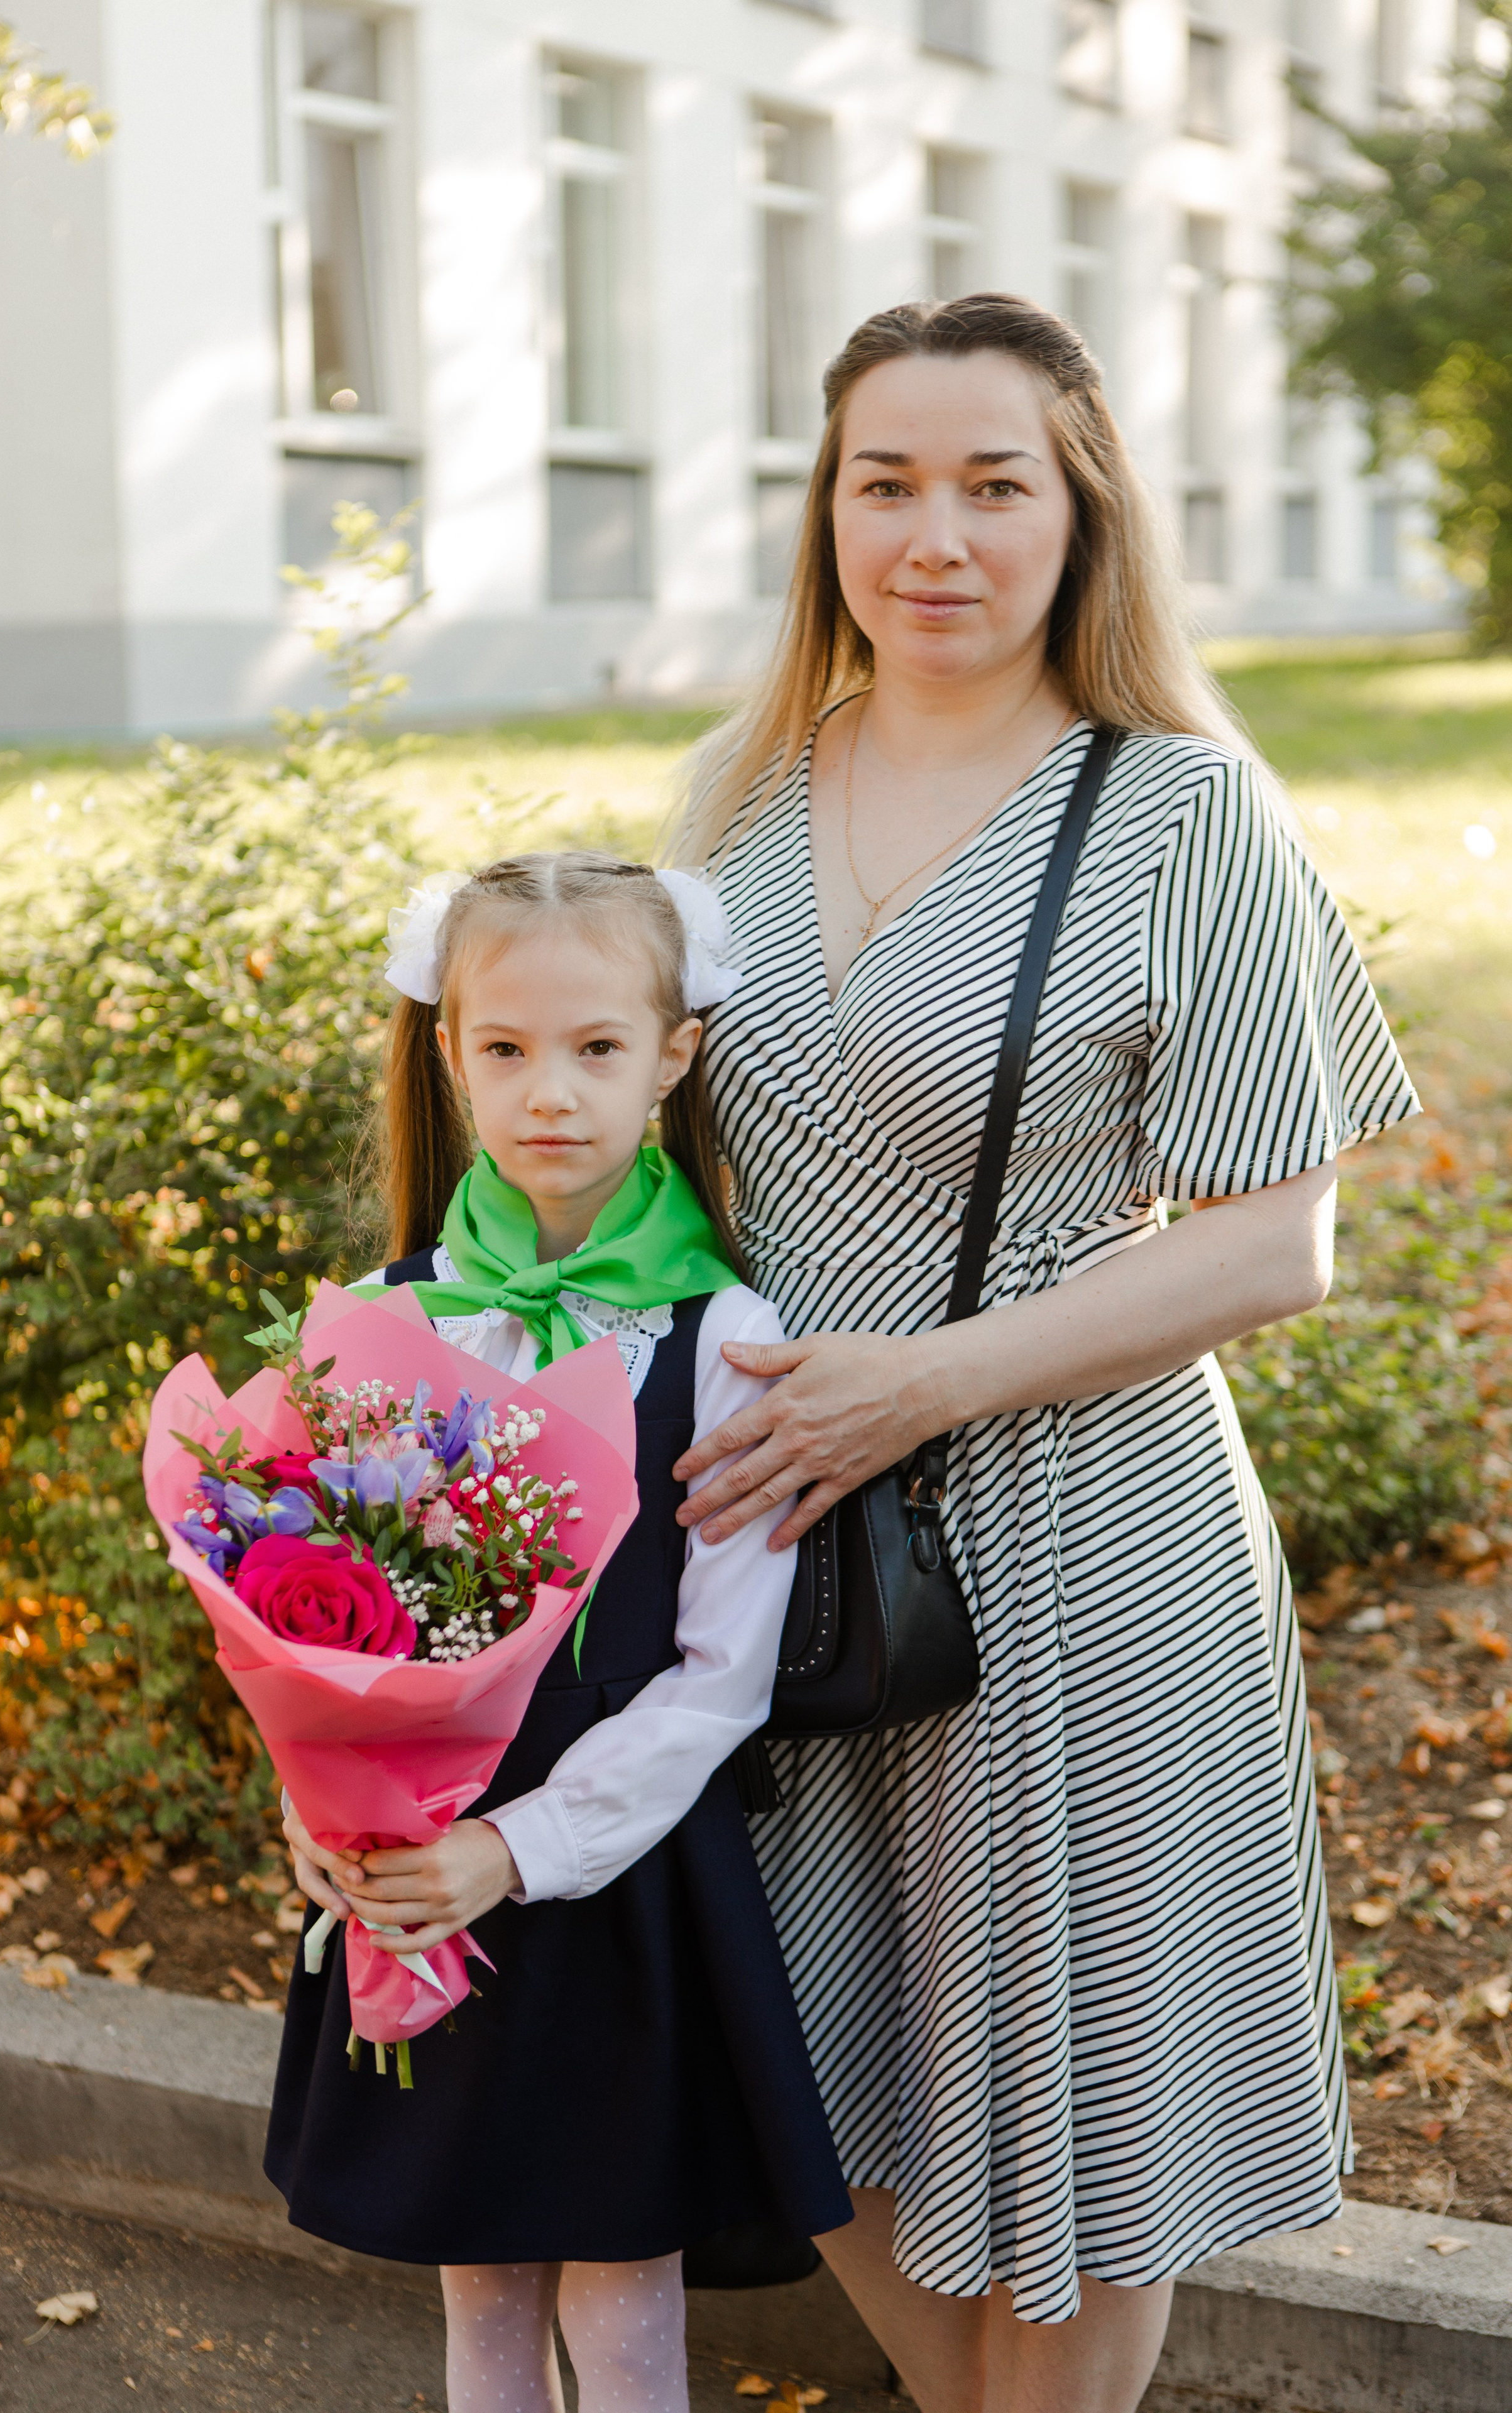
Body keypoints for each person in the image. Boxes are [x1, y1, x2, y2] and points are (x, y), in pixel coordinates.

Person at [668, 295, 1421, 2413]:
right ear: (825, 511)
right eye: (884, 481)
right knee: (824, 2084)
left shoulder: (1185, 813)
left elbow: (1279, 1247)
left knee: (1068, 2133)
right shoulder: (731, 799)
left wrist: (924, 1380)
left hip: (1081, 1549)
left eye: (996, 484)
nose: (937, 535)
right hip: (784, 1556)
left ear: (1080, 515)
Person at [266, 853, 851, 2413]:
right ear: (446, 1050)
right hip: (414, 1851)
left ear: (675, 1052)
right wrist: (325, 1816)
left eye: (597, 1049)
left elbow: (717, 1676)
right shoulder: (381, 1319)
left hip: (611, 1876)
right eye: (506, 1048)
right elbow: (308, 1621)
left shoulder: (724, 1337)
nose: (550, 1094)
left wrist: (513, 1851)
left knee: (619, 2276)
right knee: (475, 2275)